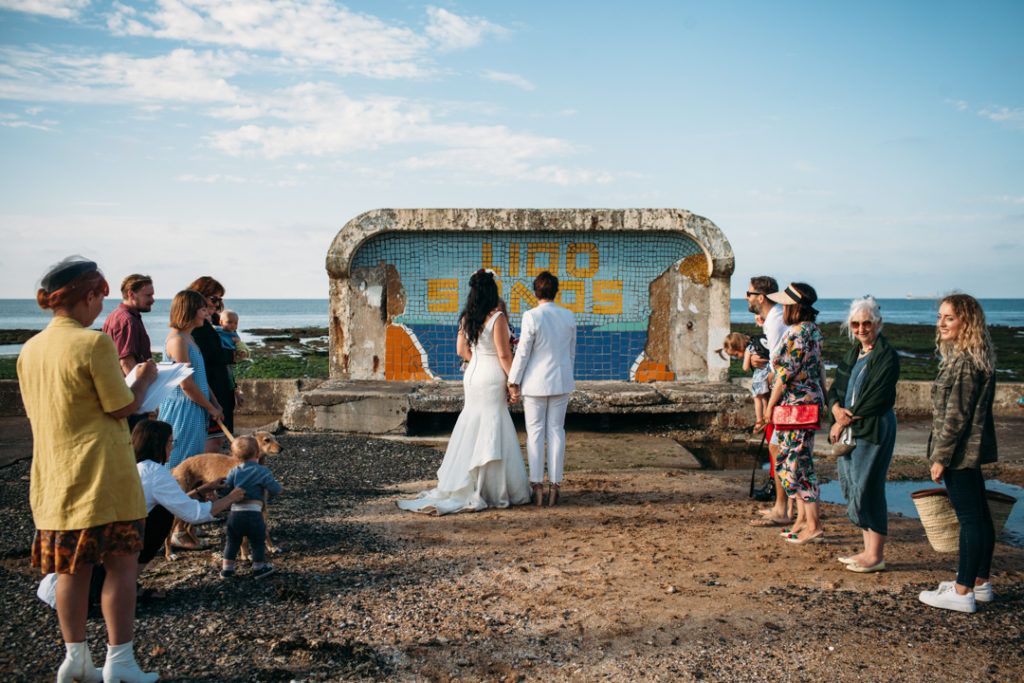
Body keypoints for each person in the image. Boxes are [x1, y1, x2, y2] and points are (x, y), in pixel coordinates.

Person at [17, 256, 160, 683]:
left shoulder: (30, 349)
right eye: (100, 293)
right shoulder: (93, 344)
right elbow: (122, 405)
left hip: (54, 475)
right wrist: (145, 379)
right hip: (103, 473)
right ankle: (120, 661)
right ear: (90, 294)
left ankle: (75, 658)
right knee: (121, 564)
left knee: (69, 568)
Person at [398, 270, 531, 515]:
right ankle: (490, 488)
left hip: (472, 375)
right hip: (492, 375)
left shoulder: (466, 317)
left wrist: (479, 359)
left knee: (472, 420)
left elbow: (461, 350)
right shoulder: (498, 317)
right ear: (492, 292)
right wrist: (514, 383)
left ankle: (465, 481)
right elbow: (504, 355)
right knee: (493, 422)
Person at [919, 294, 998, 613]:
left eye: (949, 317)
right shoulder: (971, 357)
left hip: (959, 454)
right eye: (940, 317)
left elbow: (956, 416)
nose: (941, 323)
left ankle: (963, 591)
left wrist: (940, 458)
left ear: (967, 321)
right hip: (969, 452)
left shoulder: (965, 362)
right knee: (979, 516)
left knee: (970, 520)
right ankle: (979, 584)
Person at [827, 296, 900, 573]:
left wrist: (844, 419)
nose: (861, 328)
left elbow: (878, 396)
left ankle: (875, 554)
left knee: (870, 485)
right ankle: (868, 550)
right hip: (849, 428)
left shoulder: (886, 355)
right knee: (853, 484)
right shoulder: (853, 353)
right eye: (855, 323)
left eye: (866, 323)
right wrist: (835, 410)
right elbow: (836, 388)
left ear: (878, 323)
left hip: (873, 427)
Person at [507, 271, 577, 506]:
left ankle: (537, 485)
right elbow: (571, 352)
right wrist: (568, 374)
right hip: (561, 380)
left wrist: (513, 379)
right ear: (555, 291)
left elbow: (524, 351)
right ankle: (555, 485)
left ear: (535, 292)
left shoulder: (531, 316)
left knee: (535, 432)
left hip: (535, 383)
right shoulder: (568, 316)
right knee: (557, 430)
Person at [763, 282, 826, 544]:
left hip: (795, 408)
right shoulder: (814, 332)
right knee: (799, 463)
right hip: (807, 405)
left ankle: (813, 525)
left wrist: (768, 407)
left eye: (786, 304)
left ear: (795, 307)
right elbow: (820, 369)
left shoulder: (797, 334)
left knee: (796, 466)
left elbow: (783, 376)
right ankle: (803, 520)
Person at [745, 276, 792, 527]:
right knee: (777, 449)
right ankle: (781, 506)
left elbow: (779, 365)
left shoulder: (775, 321)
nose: (747, 298)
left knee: (780, 450)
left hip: (783, 395)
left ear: (761, 297)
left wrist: (772, 400)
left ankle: (783, 509)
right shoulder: (773, 320)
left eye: (749, 293)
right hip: (779, 393)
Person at [158, 290, 223, 472]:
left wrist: (214, 402)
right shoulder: (178, 341)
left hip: (196, 407)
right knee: (180, 460)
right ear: (190, 311)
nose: (207, 314)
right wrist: (210, 408)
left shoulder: (190, 337)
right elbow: (185, 384)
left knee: (193, 459)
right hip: (183, 409)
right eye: (202, 310)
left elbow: (199, 375)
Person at [220, 435, 283, 579]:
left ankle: (227, 569)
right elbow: (273, 488)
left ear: (234, 456)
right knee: (258, 541)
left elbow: (225, 489)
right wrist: (280, 489)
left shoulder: (233, 471)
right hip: (254, 515)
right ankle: (258, 568)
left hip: (235, 515)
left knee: (231, 542)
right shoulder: (262, 471)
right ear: (257, 454)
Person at [102, 273, 155, 432]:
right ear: (131, 294)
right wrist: (142, 396)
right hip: (129, 397)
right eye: (148, 295)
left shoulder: (119, 316)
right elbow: (126, 361)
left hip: (124, 395)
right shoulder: (127, 320)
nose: (152, 299)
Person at [188, 276, 236, 452]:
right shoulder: (198, 326)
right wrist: (232, 355)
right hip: (211, 384)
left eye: (219, 300)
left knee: (217, 438)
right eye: (213, 299)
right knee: (211, 439)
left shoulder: (211, 322)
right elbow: (209, 355)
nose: (217, 304)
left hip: (217, 385)